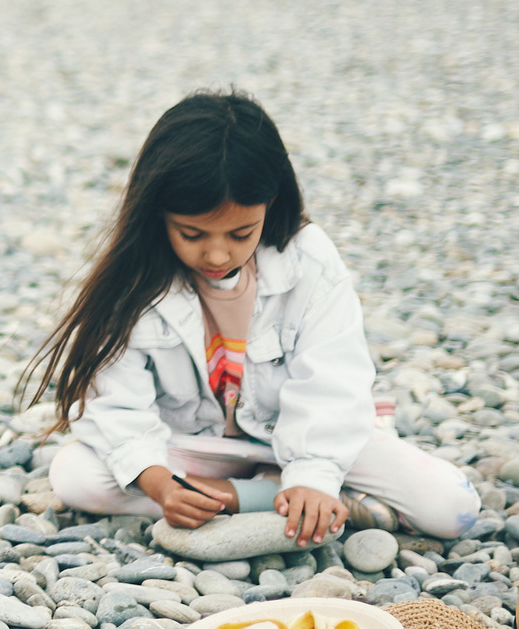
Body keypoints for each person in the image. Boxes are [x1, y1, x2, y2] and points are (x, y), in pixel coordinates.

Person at [27, 89, 478, 544]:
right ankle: (273, 497)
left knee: (452, 507)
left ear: (271, 205)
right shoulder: (134, 277)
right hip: (196, 446)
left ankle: (275, 496)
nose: (217, 253)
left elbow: (333, 379)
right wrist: (159, 483)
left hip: (299, 435)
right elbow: (116, 401)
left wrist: (315, 475)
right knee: (76, 476)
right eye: (192, 233)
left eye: (241, 232)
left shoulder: (309, 260)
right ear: (156, 214)